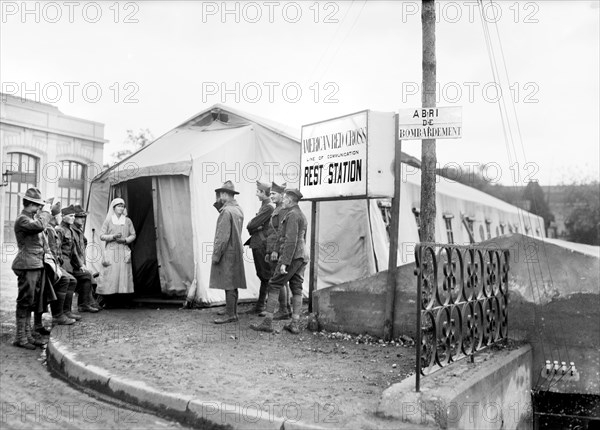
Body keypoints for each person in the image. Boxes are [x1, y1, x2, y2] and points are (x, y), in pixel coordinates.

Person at [251, 188, 308, 334]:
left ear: (289, 199)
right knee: (297, 287)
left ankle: (267, 322)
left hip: (292, 256)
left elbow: (290, 240)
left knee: (274, 284)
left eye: (285, 198)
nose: (283, 200)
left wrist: (284, 262)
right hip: (301, 256)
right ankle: (294, 323)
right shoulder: (300, 214)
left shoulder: (292, 215)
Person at [12, 188, 52, 349]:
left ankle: (27, 335)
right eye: (38, 205)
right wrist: (47, 212)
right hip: (27, 264)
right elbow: (40, 226)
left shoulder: (30, 218)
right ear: (31, 204)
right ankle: (20, 337)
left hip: (35, 264)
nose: (40, 208)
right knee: (25, 301)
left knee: (31, 301)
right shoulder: (23, 219)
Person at [210, 181, 246, 324]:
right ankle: (231, 311)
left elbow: (222, 237)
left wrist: (216, 254)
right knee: (233, 280)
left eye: (220, 193)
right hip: (236, 249)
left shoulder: (226, 212)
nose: (218, 196)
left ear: (225, 194)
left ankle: (231, 314)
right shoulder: (238, 209)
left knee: (228, 282)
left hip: (227, 251)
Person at [35, 203, 76, 329]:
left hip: (51, 264)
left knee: (70, 279)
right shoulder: (50, 229)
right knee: (64, 279)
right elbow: (51, 251)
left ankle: (63, 312)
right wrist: (57, 268)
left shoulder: (53, 229)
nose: (59, 218)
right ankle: (58, 315)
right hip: (45, 265)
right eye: (59, 215)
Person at [98, 198, 136, 306]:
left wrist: (125, 240)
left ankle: (122, 301)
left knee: (124, 275)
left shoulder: (128, 221)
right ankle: (109, 301)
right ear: (113, 208)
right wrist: (113, 236)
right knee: (110, 275)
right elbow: (101, 235)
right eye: (118, 206)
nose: (121, 208)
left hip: (123, 249)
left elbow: (133, 234)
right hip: (111, 249)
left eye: (122, 206)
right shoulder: (108, 220)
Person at [244, 181, 274, 315]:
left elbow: (251, 225)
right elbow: (253, 226)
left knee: (266, 275)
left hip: (261, 244)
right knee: (263, 275)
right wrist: (257, 226)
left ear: (263, 192)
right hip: (258, 243)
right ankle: (261, 306)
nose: (256, 194)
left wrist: (256, 226)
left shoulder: (268, 207)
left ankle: (267, 307)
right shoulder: (265, 206)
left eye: (258, 191)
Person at [265, 181, 292, 320]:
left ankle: (283, 309)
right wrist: (268, 252)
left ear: (282, 195)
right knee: (282, 281)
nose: (271, 196)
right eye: (270, 194)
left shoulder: (282, 210)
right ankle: (286, 308)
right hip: (274, 249)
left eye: (274, 194)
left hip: (278, 250)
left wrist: (274, 251)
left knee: (278, 281)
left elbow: (281, 232)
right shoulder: (278, 209)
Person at [72, 204, 101, 311]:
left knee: (89, 277)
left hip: (79, 263)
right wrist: (79, 264)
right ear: (73, 218)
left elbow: (83, 242)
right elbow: (72, 252)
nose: (83, 219)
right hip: (73, 265)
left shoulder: (78, 230)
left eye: (83, 217)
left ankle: (88, 302)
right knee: (87, 276)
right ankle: (86, 303)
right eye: (80, 217)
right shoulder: (72, 230)